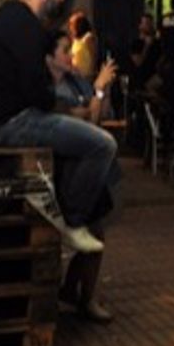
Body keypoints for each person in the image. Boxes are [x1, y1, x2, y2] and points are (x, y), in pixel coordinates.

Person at [0, 0, 116, 254]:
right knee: (103, 144)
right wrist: (66, 109)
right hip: (11, 124)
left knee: (78, 143)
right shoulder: (28, 26)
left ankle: (70, 215)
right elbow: (36, 92)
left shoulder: (0, 19)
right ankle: (73, 223)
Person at [46, 30, 120, 323]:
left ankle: (80, 294)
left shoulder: (76, 81)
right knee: (64, 235)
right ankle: (67, 293)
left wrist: (101, 92)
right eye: (65, 50)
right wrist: (96, 93)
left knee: (95, 233)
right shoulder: (44, 89)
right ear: (49, 57)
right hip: (60, 170)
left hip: (85, 168)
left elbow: (96, 120)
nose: (71, 56)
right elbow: (79, 120)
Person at [68, 10, 100, 80]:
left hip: (87, 75)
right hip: (77, 75)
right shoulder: (76, 40)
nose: (70, 27)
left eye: (72, 24)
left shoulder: (88, 37)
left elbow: (94, 56)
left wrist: (92, 74)